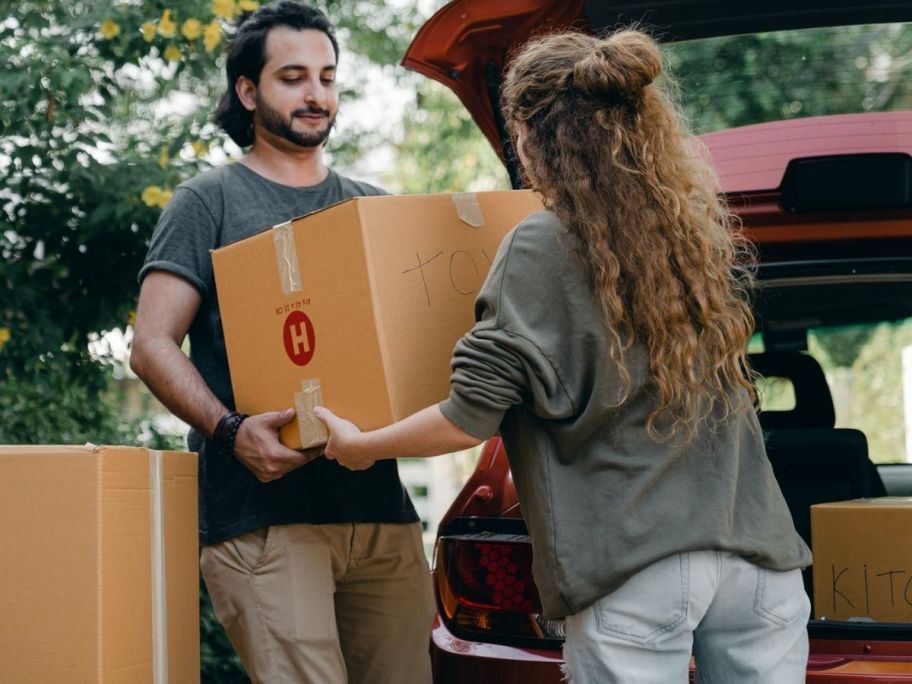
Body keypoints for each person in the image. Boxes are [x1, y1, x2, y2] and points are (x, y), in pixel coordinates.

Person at [315, 28, 812, 683]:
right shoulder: (692, 233)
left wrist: (363, 445)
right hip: (759, 560)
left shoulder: (540, 245)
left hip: (635, 564)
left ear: (530, 136)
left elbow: (470, 417)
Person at [129, 3, 434, 682]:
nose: (316, 94)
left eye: (327, 77)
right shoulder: (208, 201)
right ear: (247, 90)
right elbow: (151, 344)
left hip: (381, 513)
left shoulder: (372, 208)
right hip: (263, 518)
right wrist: (230, 429)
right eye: (293, 77)